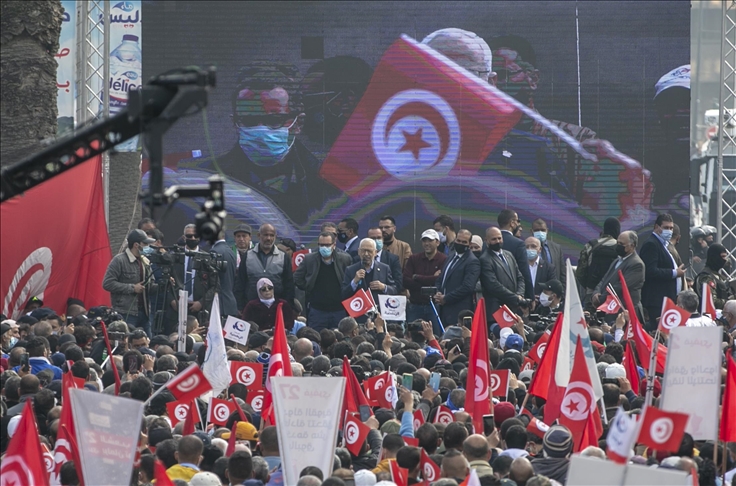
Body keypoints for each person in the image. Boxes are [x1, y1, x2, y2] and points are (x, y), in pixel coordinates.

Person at [102, 229, 158, 336]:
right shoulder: (119, 260)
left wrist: (164, 285)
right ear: (136, 245)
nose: (148, 247)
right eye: (145, 244)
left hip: (145, 313)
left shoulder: (145, 261)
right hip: (125, 312)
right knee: (127, 340)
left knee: (147, 341)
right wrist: (132, 288)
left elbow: (150, 285)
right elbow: (107, 283)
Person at [294, 232, 352, 332]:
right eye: (321, 245)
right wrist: (308, 287)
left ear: (334, 245)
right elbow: (297, 278)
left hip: (339, 309)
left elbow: (350, 280)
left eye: (327, 245)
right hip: (317, 310)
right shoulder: (309, 259)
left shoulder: (345, 259)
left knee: (340, 337)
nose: (324, 248)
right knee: (315, 336)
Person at [640, 214, 685, 331]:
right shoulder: (651, 244)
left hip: (667, 300)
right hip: (656, 301)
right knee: (658, 332)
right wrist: (674, 273)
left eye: (671, 228)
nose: (669, 231)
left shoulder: (665, 244)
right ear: (656, 227)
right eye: (666, 228)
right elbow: (650, 271)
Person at [235, 223, 295, 312]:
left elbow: (289, 285)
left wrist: (287, 308)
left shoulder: (283, 257)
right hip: (252, 309)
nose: (268, 238)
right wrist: (240, 307)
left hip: (277, 309)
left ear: (275, 237)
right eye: (266, 235)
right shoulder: (247, 256)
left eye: (271, 235)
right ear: (259, 235)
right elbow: (240, 284)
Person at [434, 229, 480, 328]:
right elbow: (441, 278)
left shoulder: (472, 261)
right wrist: (437, 292)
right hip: (443, 310)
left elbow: (468, 287)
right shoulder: (450, 257)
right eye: (458, 241)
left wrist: (446, 298)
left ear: (469, 244)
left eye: (464, 242)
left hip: (458, 311)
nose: (460, 244)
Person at [403, 229, 448, 331]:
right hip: (415, 305)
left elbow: (440, 281)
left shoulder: (444, 259)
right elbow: (405, 281)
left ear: (437, 242)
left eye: (430, 240)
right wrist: (432, 279)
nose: (426, 244)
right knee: (413, 335)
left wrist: (417, 277)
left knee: (436, 335)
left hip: (434, 306)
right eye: (424, 241)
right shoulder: (414, 258)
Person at [592, 231, 645, 314]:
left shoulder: (636, 264)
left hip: (626, 311)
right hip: (611, 309)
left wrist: (601, 298)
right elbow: (604, 280)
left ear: (632, 245)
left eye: (622, 244)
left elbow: (621, 287)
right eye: (617, 243)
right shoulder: (617, 261)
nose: (618, 246)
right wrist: (596, 293)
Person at [480, 227, 525, 320]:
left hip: (513, 307)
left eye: (499, 238)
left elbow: (520, 277)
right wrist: (515, 298)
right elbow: (493, 285)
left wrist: (520, 295)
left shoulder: (509, 255)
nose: (497, 241)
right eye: (494, 239)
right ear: (486, 240)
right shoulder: (485, 259)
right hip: (497, 309)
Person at [173, 224, 216, 320]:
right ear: (184, 237)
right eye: (189, 236)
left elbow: (215, 286)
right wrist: (172, 301)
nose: (193, 238)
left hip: (200, 310)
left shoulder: (207, 257)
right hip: (177, 309)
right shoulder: (175, 256)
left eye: (195, 236)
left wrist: (201, 302)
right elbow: (167, 281)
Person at [342, 238, 397, 304]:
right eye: (363, 251)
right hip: (359, 308)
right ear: (359, 252)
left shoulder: (384, 268)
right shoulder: (350, 270)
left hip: (378, 309)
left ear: (375, 252)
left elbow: (394, 290)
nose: (366, 254)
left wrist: (383, 287)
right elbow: (344, 294)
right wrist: (354, 282)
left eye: (369, 251)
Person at [498, 210, 534, 300]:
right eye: (518, 221)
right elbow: (524, 271)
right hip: (514, 296)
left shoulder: (486, 244)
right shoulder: (518, 244)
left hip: (492, 297)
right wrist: (530, 297)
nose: (519, 224)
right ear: (512, 223)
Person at [210, 230, 239, 317]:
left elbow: (213, 281)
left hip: (219, 304)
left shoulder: (214, 252)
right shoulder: (231, 252)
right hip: (230, 303)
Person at [695, 244, 732, 309]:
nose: (725, 260)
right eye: (722, 256)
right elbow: (712, 302)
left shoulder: (717, 275)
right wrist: (730, 302)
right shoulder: (706, 277)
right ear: (714, 257)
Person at [531, 218, 565, 289]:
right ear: (532, 231)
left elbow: (562, 272)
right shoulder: (526, 247)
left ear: (547, 231)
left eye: (543, 230)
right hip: (534, 289)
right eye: (537, 230)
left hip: (553, 290)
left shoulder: (556, 248)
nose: (540, 232)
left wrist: (562, 291)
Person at [367, 227, 403, 294]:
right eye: (373, 238)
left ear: (383, 239)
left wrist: (384, 287)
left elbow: (398, 285)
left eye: (379, 238)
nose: (376, 241)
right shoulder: (358, 259)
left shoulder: (393, 259)